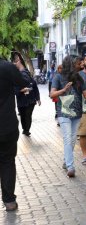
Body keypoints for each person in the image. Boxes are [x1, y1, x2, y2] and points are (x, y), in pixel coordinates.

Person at [0, 56, 29, 211]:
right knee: (7, 162)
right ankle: (9, 201)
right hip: (6, 125)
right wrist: (20, 68)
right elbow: (25, 82)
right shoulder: (7, 67)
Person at [50, 55, 84, 178]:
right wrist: (63, 90)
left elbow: (84, 92)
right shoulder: (58, 77)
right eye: (78, 63)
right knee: (67, 139)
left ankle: (66, 161)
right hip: (64, 112)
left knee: (73, 139)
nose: (81, 65)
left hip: (77, 112)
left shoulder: (79, 77)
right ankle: (70, 167)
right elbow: (52, 93)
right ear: (71, 64)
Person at [12, 53, 41, 137]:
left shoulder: (27, 74)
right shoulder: (16, 75)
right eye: (14, 61)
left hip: (31, 100)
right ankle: (25, 129)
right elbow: (14, 89)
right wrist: (21, 90)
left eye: (16, 61)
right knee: (23, 116)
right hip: (21, 100)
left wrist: (38, 98)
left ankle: (27, 130)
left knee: (28, 115)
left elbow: (34, 86)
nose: (14, 63)